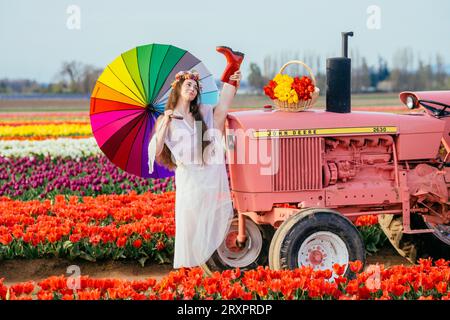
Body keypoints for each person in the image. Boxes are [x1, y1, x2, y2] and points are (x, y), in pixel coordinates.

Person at [147, 46, 244, 268]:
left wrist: (232, 82)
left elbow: (222, 110)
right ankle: (190, 266)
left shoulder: (200, 112)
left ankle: (233, 66)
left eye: (195, 86)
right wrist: (166, 122)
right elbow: (156, 149)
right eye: (188, 85)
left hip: (209, 170)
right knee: (190, 220)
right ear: (178, 89)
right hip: (189, 176)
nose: (192, 88)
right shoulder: (165, 118)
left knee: (210, 218)